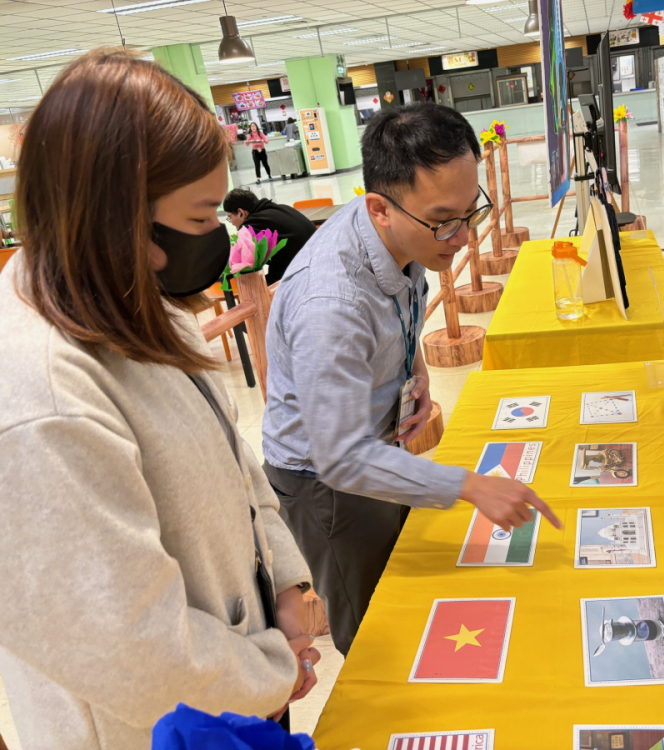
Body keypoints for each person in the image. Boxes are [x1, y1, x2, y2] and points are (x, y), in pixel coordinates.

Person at [0, 50, 321, 748]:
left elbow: (232, 460)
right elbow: (127, 645)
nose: (218, 238)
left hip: (236, 685)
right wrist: (271, 668)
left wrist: (287, 587)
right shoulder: (38, 396)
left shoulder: (138, 299)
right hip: (157, 724)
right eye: (202, 217)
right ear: (118, 219)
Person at [262, 102, 561, 656]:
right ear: (379, 208)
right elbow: (341, 458)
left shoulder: (410, 230)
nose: (463, 236)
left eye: (470, 212)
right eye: (446, 220)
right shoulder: (330, 303)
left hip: (371, 441)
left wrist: (413, 369)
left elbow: (403, 304)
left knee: (402, 575)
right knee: (374, 621)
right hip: (323, 479)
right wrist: (471, 486)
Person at [223, 188, 316, 284]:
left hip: (300, 276)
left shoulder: (252, 225)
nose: (232, 223)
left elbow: (244, 262)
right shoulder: (282, 208)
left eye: (230, 217)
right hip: (316, 264)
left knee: (250, 286)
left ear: (241, 213)